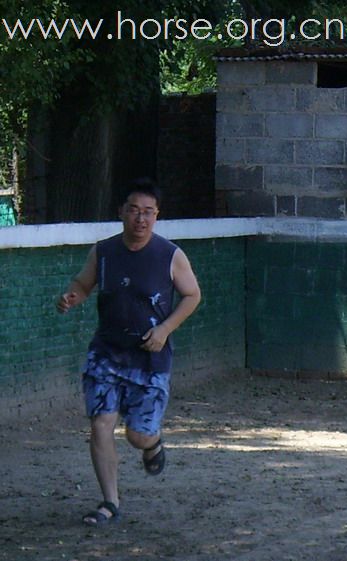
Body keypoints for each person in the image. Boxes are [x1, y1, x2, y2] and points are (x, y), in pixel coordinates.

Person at [56, 179, 201, 527]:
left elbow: (192, 295)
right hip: (106, 354)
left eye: (148, 212)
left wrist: (165, 330)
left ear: (157, 216)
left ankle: (152, 444)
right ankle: (110, 502)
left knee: (137, 435)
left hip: (149, 358)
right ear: (121, 212)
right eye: (134, 210)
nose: (141, 218)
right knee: (101, 423)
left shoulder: (170, 255)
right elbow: (83, 283)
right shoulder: (103, 252)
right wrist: (72, 297)